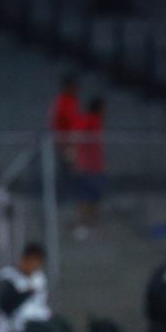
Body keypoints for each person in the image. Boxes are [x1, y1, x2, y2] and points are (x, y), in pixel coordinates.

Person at [0, 243, 52, 332]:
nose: (36, 266)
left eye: (39, 263)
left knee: (55, 327)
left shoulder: (39, 278)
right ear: (25, 259)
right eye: (34, 261)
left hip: (39, 321)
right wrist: (26, 293)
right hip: (17, 324)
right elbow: (4, 305)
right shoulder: (9, 277)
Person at [72, 97, 105, 239]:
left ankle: (92, 224)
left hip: (96, 167)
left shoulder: (97, 122)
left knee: (95, 198)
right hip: (86, 167)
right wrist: (76, 162)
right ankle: (84, 224)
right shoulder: (88, 120)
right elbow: (75, 138)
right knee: (85, 197)